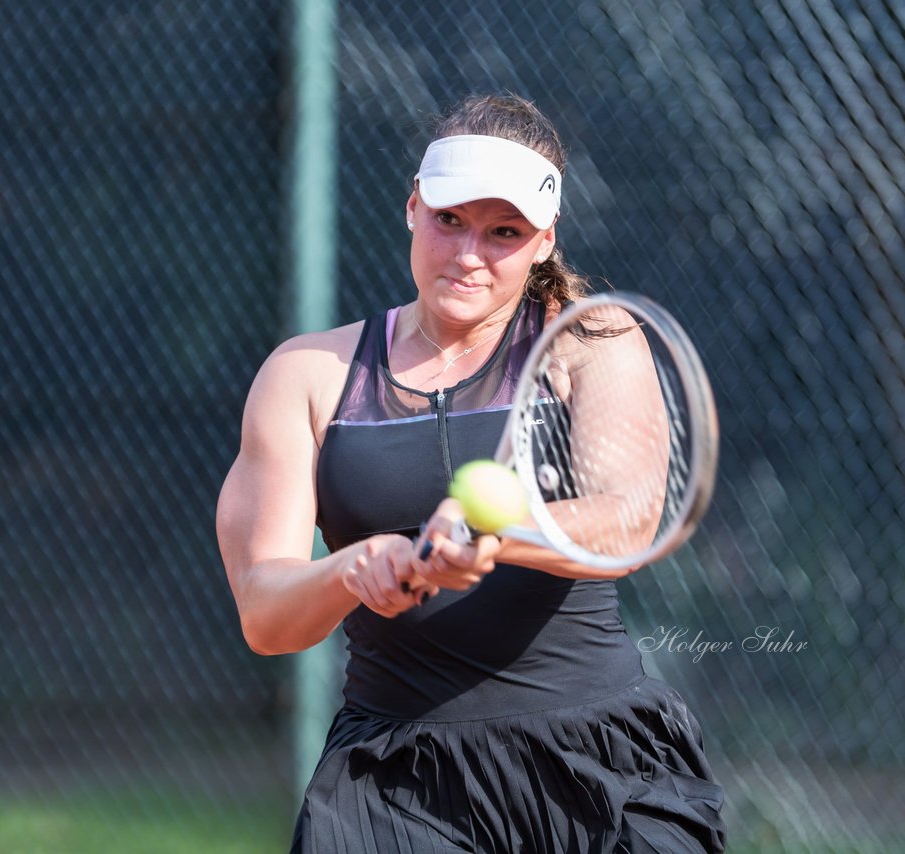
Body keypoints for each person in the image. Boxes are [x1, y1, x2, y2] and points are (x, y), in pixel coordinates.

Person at [216, 93, 726, 853]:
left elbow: (629, 517)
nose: (468, 254)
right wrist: (354, 568)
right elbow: (265, 612)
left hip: (601, 767)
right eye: (450, 219)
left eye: (504, 233)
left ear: (544, 241)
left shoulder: (595, 341)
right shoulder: (306, 374)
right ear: (413, 206)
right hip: (394, 786)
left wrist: (495, 531)